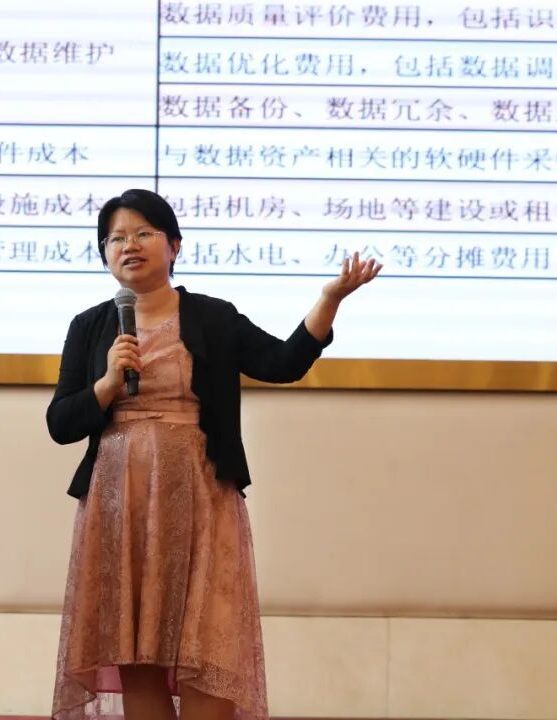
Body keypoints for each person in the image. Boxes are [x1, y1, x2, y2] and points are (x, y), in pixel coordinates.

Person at [47, 189, 380, 720]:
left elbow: (284, 362)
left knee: (210, 646)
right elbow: (60, 423)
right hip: (121, 506)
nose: (129, 245)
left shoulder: (214, 317)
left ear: (174, 246)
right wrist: (107, 384)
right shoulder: (89, 326)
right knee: (137, 655)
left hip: (201, 497)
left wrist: (329, 300)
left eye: (144, 233)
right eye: (115, 238)